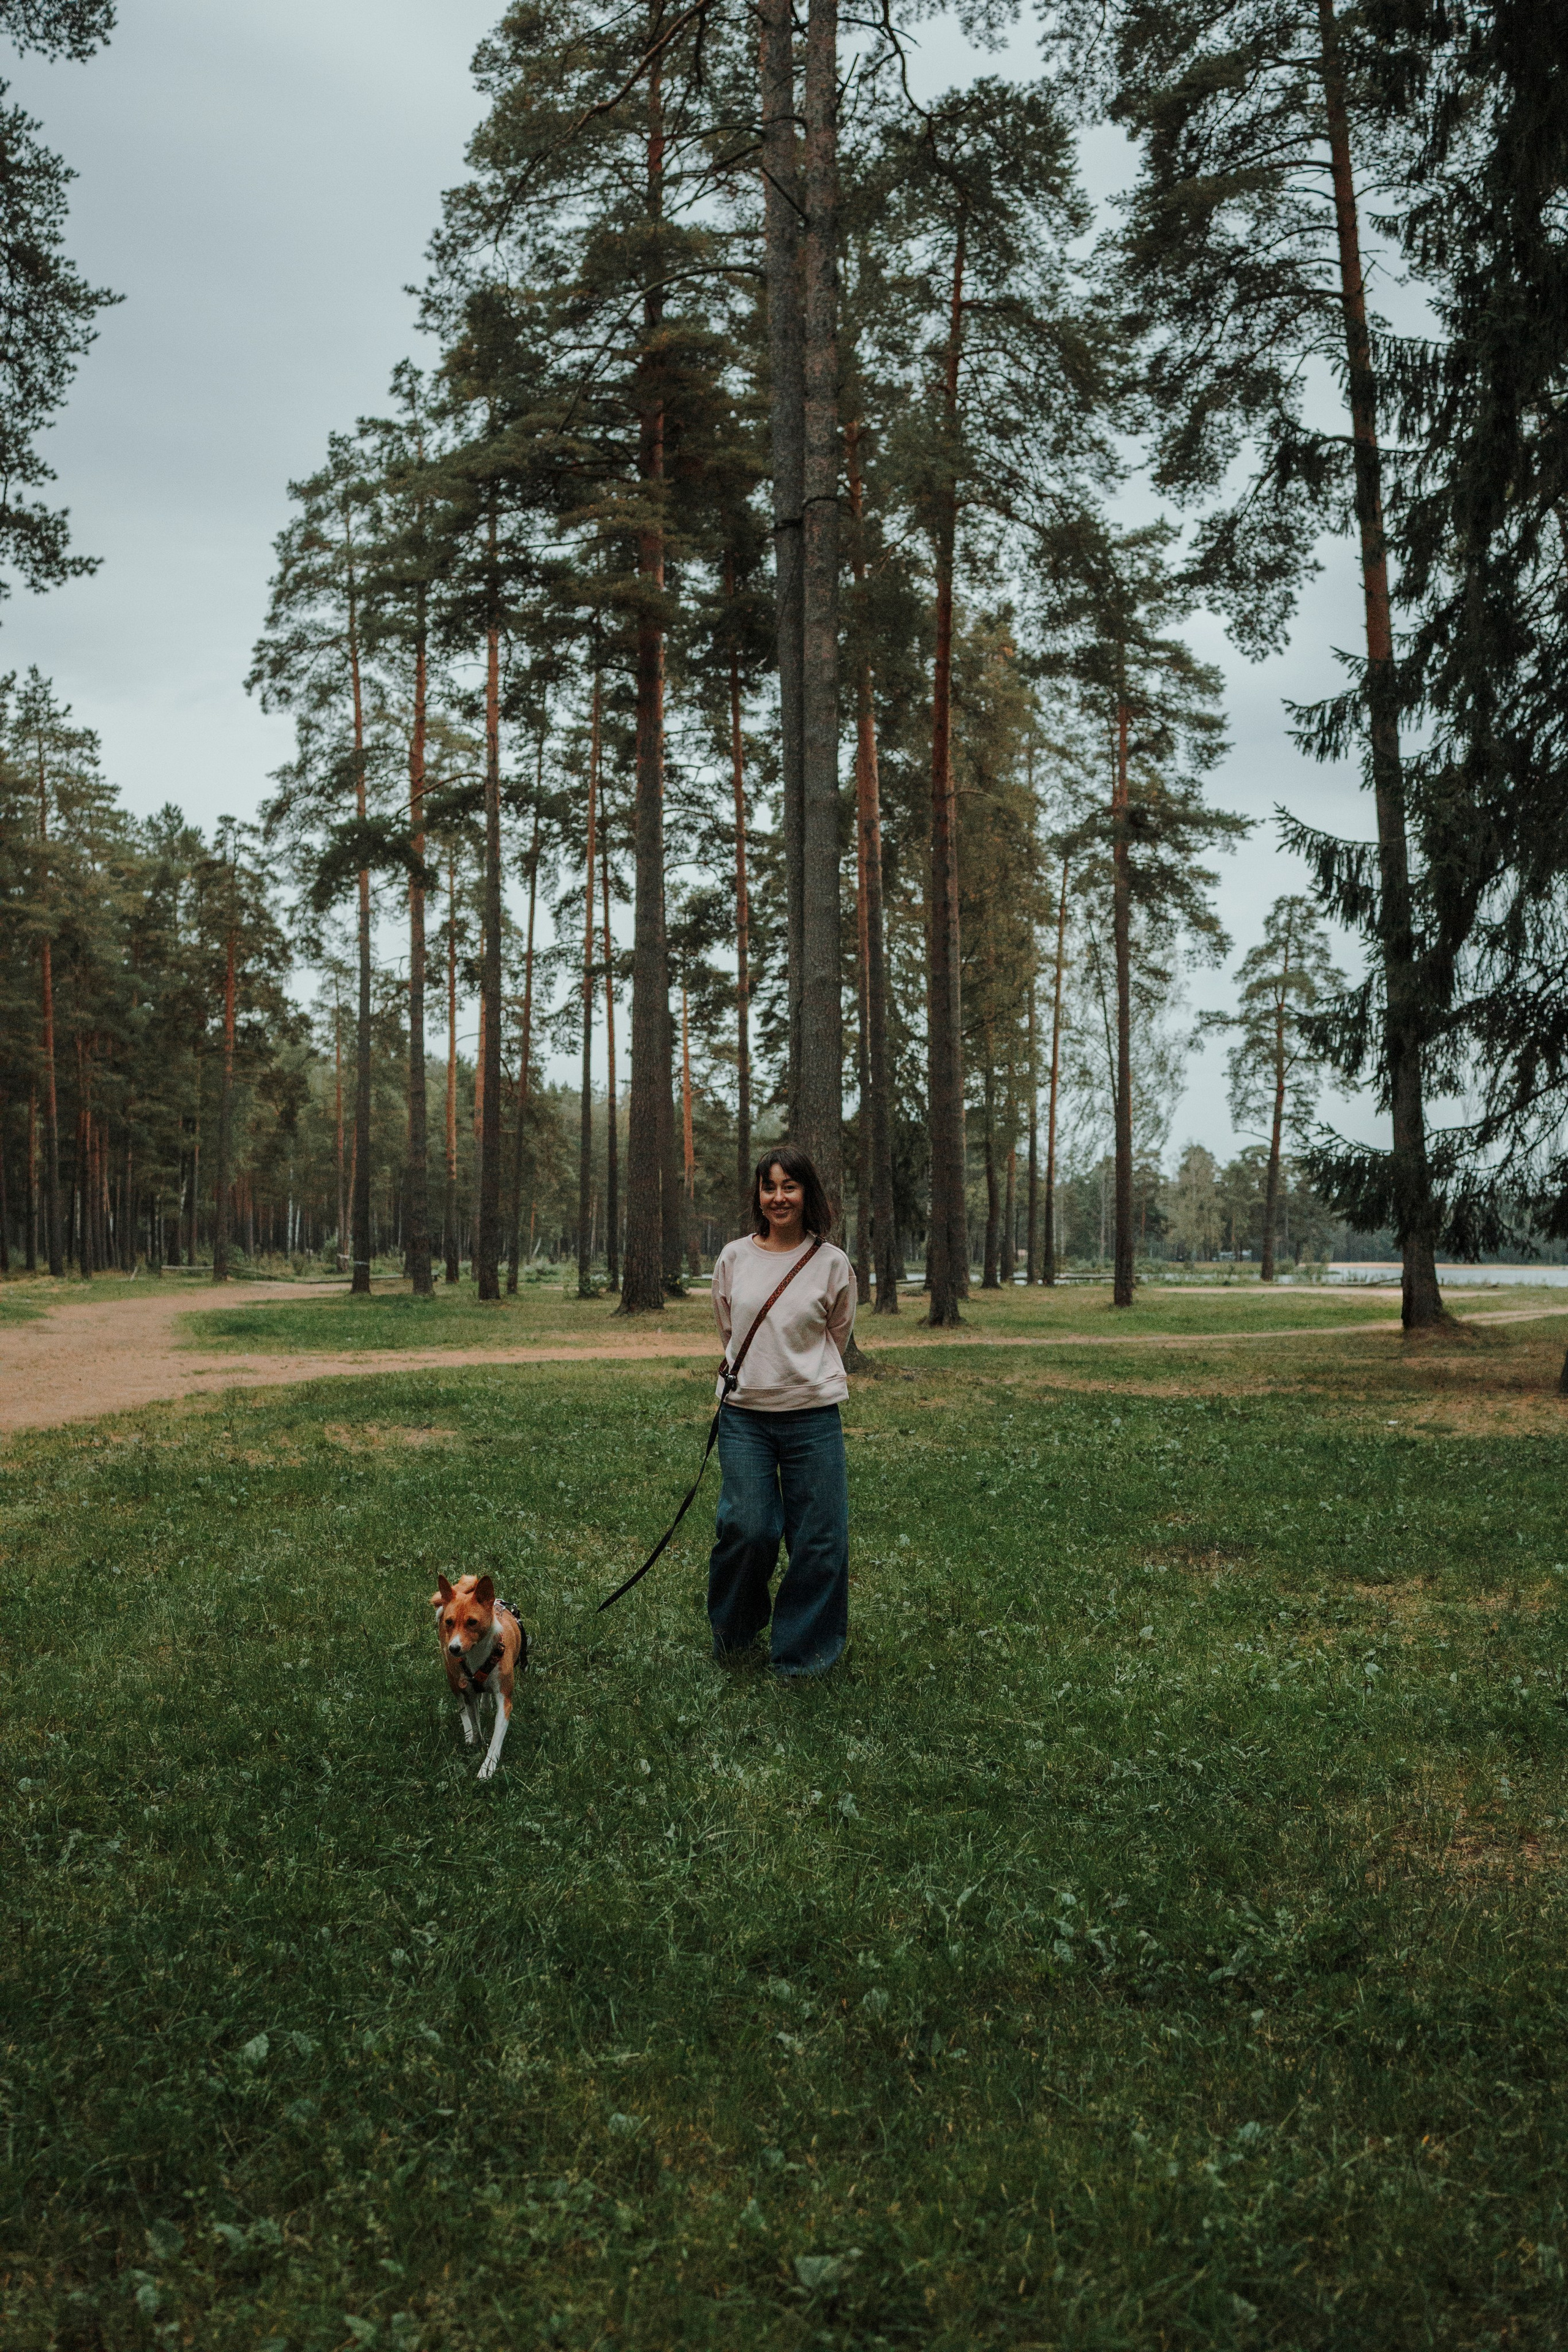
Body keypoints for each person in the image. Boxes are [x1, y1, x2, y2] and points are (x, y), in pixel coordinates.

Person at [707, 1146, 856, 1676]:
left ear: (807, 1193)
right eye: (769, 1187)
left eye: (789, 1186)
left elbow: (836, 1333)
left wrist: (799, 1372)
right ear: (758, 1196)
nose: (778, 1197)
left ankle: (802, 1655)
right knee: (748, 1529)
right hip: (745, 1414)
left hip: (813, 1416)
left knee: (819, 1539)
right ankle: (734, 1634)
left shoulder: (832, 1263)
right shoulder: (733, 1258)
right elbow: (729, 1330)